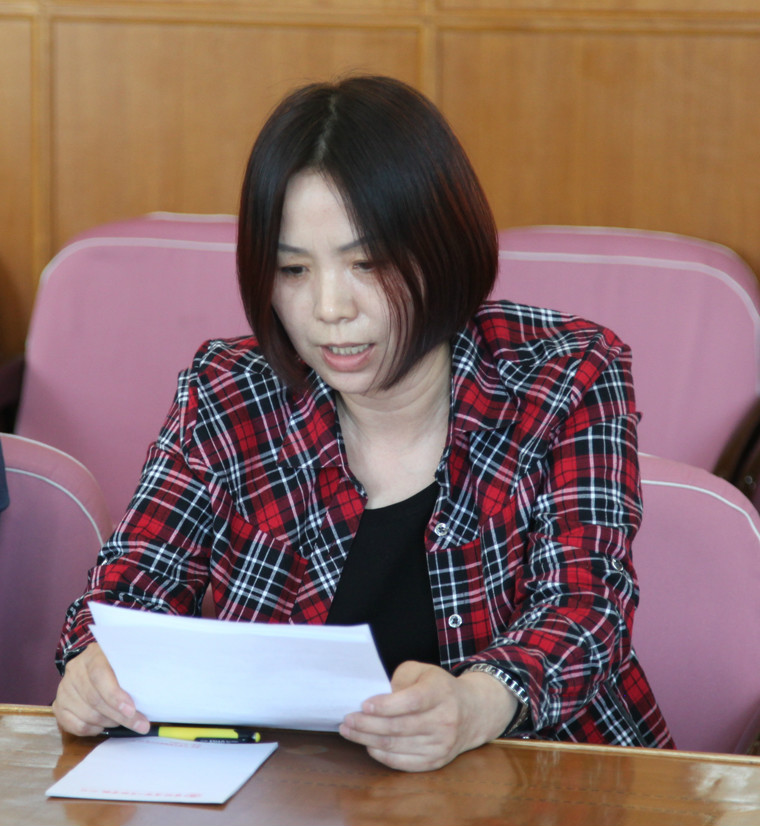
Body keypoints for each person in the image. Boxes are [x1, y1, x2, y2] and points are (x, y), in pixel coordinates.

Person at [53, 75, 674, 771]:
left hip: (543, 779)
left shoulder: (565, 375)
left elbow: (586, 602)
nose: (329, 309)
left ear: (444, 248)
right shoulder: (228, 392)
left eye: (367, 263)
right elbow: (131, 586)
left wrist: (477, 703)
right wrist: (94, 665)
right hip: (285, 793)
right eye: (293, 270)